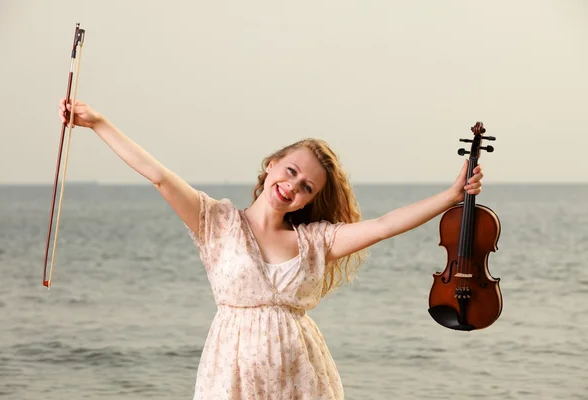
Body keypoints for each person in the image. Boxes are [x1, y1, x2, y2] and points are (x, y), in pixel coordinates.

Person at [58, 99, 484, 399]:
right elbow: (159, 176)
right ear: (271, 164)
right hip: (232, 375)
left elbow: (384, 225)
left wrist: (450, 196)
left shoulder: (314, 241)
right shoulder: (217, 222)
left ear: (308, 200)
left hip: (302, 378)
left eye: (306, 188)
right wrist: (97, 122)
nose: (292, 187)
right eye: (291, 171)